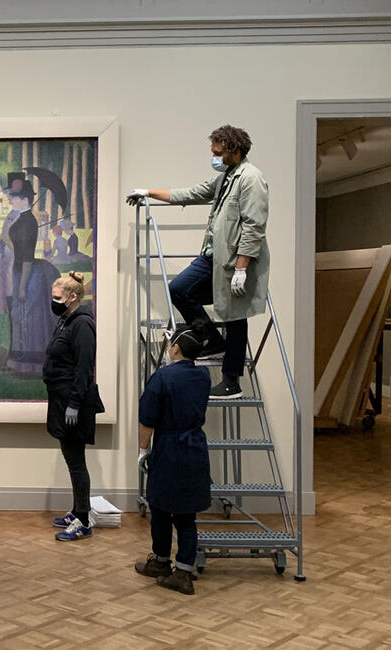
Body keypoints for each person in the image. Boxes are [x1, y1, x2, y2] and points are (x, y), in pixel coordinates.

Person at [128, 125, 270, 399]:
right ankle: (212, 339)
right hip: (212, 258)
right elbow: (192, 193)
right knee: (180, 288)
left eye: (218, 152)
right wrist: (148, 192)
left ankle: (232, 383)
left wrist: (242, 267)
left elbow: (254, 226)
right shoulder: (226, 177)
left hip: (234, 261)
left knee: (235, 316)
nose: (214, 156)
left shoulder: (251, 179)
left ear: (234, 151)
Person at [134, 328, 211, 595]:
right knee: (186, 514)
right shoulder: (203, 375)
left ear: (176, 348)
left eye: (169, 344)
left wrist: (143, 450)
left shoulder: (163, 377)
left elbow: (148, 418)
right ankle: (183, 567)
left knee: (160, 506)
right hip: (195, 449)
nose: (168, 348)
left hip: (169, 448)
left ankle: (165, 564)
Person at [44, 272, 104, 541]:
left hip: (73, 403)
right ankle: (77, 509)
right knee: (71, 460)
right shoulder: (66, 321)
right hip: (61, 399)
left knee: (76, 462)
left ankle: (82, 520)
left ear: (72, 297)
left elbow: (84, 368)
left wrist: (74, 404)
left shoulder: (82, 324)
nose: (53, 302)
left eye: (57, 298)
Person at [4, 171, 61, 374]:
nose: (11, 200)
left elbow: (27, 255)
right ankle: (22, 361)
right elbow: (17, 250)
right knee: (21, 316)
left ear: (25, 199)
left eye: (15, 197)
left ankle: (33, 364)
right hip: (20, 270)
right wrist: (5, 238)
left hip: (29, 274)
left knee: (30, 316)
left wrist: (21, 285)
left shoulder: (28, 222)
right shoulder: (22, 219)